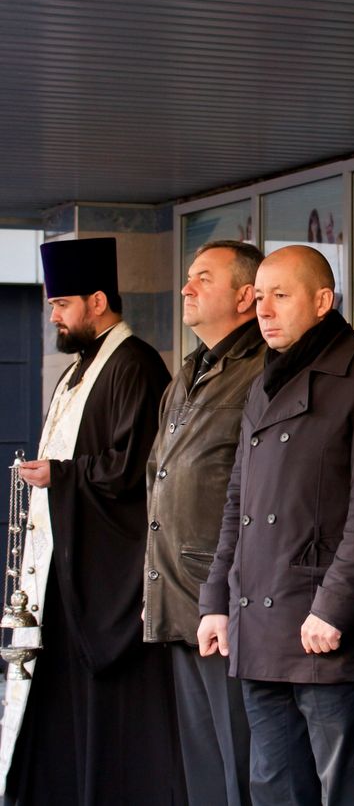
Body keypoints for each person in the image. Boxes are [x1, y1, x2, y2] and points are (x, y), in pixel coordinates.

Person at [197, 245, 354, 806]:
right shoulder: (265, 379)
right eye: (259, 297)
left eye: (280, 296)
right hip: (257, 622)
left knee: (345, 793)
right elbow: (239, 500)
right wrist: (216, 599)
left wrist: (333, 606)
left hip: (319, 627)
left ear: (323, 301)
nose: (264, 310)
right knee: (274, 787)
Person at [2, 237, 183, 804]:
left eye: (62, 304)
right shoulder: (77, 370)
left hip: (106, 572)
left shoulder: (135, 364)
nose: (54, 315)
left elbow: (133, 467)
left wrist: (60, 476)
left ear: (98, 300)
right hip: (65, 561)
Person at [143, 240, 266, 806]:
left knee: (241, 760)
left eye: (203, 278)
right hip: (177, 592)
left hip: (226, 597)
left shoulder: (265, 366)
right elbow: (160, 477)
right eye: (188, 278)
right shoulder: (190, 369)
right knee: (202, 764)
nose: (187, 287)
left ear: (246, 295)